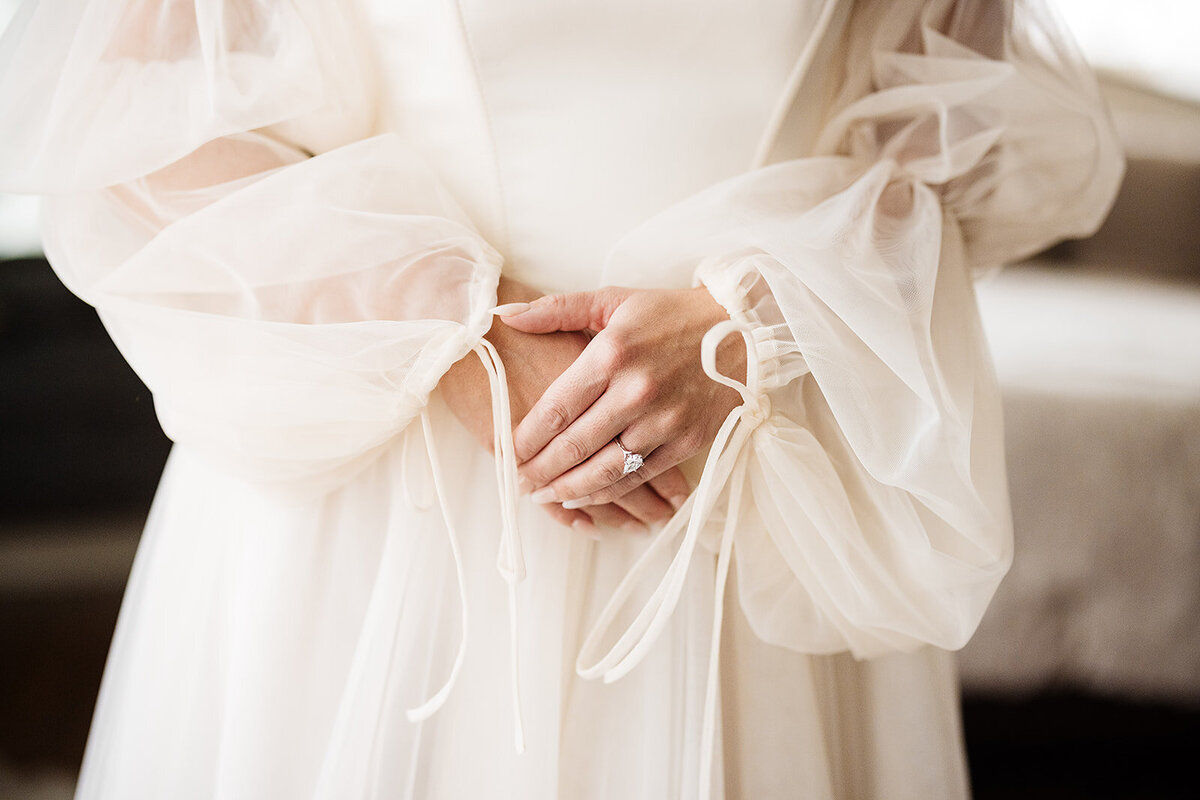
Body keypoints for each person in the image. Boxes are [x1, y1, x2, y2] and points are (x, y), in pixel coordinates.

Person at [0, 0, 1122, 797]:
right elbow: (127, 118)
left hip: (744, 484)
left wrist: (750, 323)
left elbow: (939, 136)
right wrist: (460, 338)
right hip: (388, 484)